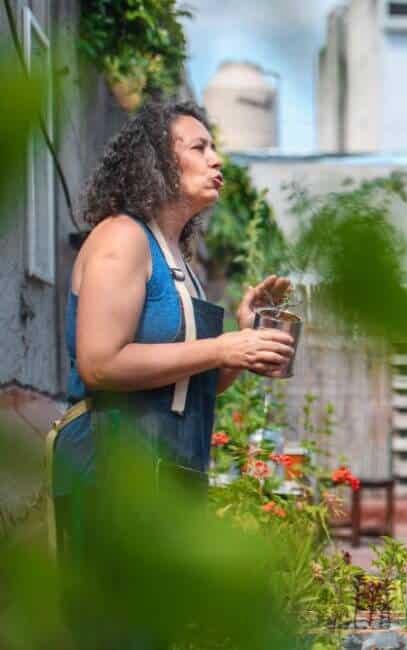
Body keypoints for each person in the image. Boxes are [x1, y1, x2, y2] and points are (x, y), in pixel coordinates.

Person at [53, 100, 295, 562]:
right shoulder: (121, 238)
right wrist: (223, 345)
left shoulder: (178, 259)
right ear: (159, 162)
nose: (216, 159)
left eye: (214, 148)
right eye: (199, 147)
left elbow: (193, 386)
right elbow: (100, 364)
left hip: (169, 474)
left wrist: (240, 343)